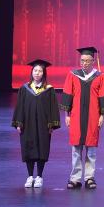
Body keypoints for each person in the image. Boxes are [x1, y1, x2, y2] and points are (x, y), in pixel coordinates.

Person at [60, 46, 104, 190]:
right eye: (82, 60)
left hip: (93, 116)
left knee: (91, 150)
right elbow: (68, 95)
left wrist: (102, 116)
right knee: (76, 148)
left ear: (93, 61)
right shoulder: (73, 75)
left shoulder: (101, 76)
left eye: (87, 61)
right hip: (76, 116)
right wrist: (66, 115)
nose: (84, 63)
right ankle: (75, 178)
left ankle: (89, 177)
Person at [12, 59, 60, 188]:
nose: (37, 73)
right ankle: (29, 176)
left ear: (44, 73)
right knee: (29, 148)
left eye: (40, 71)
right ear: (31, 72)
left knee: (41, 149)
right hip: (27, 124)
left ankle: (39, 176)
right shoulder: (25, 88)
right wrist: (19, 123)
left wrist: (52, 125)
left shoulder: (49, 90)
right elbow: (20, 107)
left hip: (44, 125)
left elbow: (53, 108)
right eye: (35, 70)